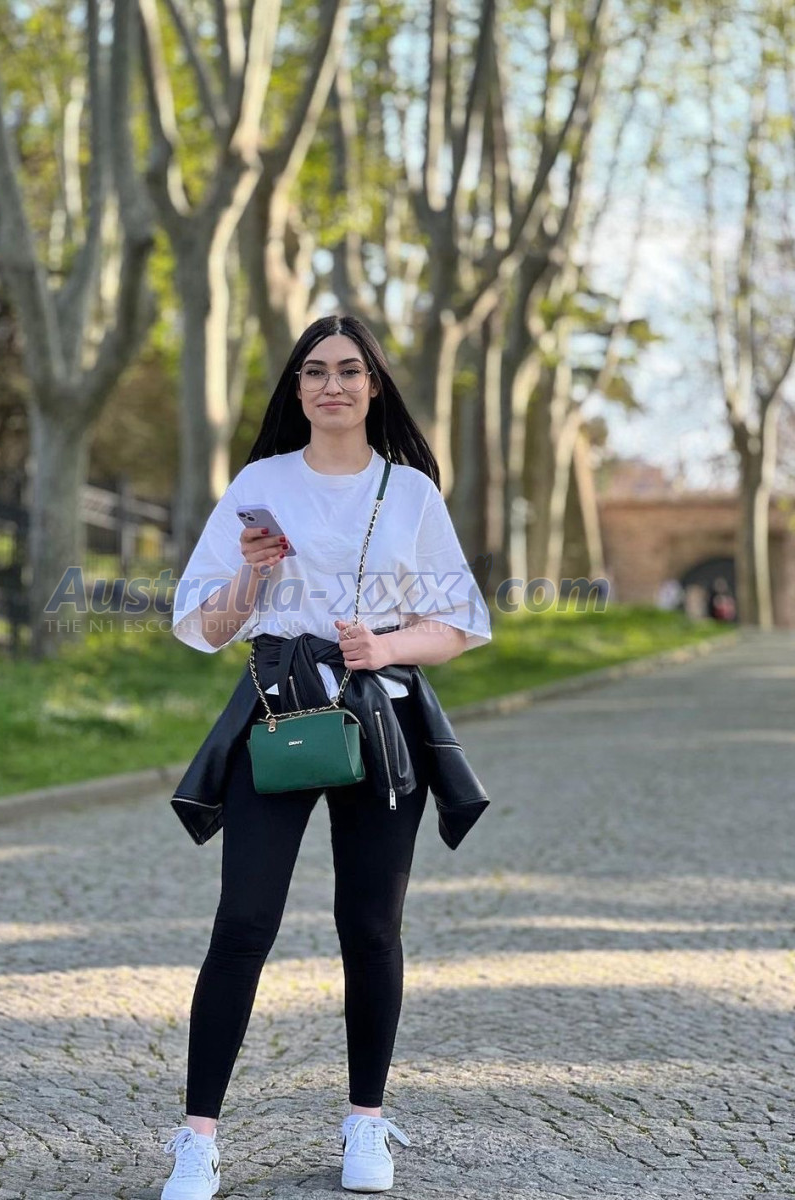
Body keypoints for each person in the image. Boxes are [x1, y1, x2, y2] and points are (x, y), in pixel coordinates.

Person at [161, 314, 493, 1199]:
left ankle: (366, 1123)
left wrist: (386, 647)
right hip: (277, 716)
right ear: (298, 388)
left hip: (381, 722)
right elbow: (206, 626)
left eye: (349, 370)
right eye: (314, 371)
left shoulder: (410, 491)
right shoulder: (260, 483)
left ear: (374, 384)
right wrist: (254, 572)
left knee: (372, 929)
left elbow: (459, 624)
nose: (332, 385)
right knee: (243, 924)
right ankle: (197, 1140)